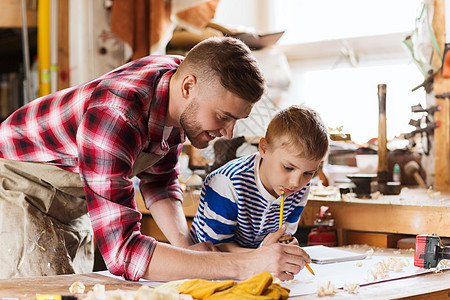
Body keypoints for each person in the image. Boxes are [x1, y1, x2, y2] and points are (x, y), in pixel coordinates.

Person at [0, 36, 310, 282]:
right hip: (18, 190)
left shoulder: (179, 90)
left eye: (235, 121)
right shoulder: (116, 115)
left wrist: (186, 246)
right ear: (188, 86)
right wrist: (245, 264)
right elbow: (124, 254)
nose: (228, 133)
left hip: (69, 199)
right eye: (223, 116)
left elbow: (159, 180)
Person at [190, 105, 329, 253]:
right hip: (208, 264)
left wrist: (285, 244)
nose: (296, 182)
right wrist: (264, 254)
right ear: (264, 149)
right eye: (288, 168)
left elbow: (284, 236)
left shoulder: (301, 188)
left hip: (255, 265)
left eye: (308, 173)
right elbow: (217, 249)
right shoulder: (227, 183)